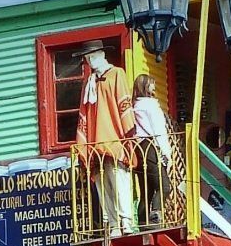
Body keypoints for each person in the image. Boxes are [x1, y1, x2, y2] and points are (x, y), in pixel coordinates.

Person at [73, 40, 137, 232]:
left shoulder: (117, 74)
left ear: (102, 55)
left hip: (114, 139)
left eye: (93, 56)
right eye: (87, 58)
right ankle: (113, 224)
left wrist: (129, 135)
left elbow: (124, 105)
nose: (90, 61)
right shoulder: (89, 83)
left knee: (119, 180)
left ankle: (126, 220)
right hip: (95, 142)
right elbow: (84, 113)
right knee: (103, 184)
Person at [130, 73, 176, 227]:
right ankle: (155, 216)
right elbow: (158, 130)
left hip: (138, 148)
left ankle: (143, 222)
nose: (154, 86)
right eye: (151, 83)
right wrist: (166, 152)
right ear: (145, 86)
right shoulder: (150, 105)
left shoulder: (135, 105)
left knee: (146, 190)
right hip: (150, 146)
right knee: (164, 186)